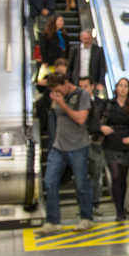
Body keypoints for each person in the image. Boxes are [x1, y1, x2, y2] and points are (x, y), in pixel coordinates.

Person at [36, 73, 94, 234]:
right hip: (58, 146)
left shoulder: (81, 95)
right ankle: (53, 220)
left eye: (58, 89)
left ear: (66, 82)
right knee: (49, 181)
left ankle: (86, 217)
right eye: (53, 90)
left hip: (78, 146)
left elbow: (81, 119)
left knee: (82, 184)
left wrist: (62, 103)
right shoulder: (56, 97)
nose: (57, 93)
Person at [100, 78, 129, 221]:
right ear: (116, 88)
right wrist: (101, 128)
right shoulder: (108, 105)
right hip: (110, 143)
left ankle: (121, 205)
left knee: (122, 178)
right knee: (115, 176)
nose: (122, 88)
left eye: (125, 86)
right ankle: (119, 211)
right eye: (120, 86)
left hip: (126, 144)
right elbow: (96, 119)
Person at [79, 76, 106, 216]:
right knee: (81, 175)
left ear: (92, 87)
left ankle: (95, 204)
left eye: (85, 86)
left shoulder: (101, 103)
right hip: (80, 143)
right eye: (81, 87)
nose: (83, 89)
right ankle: (82, 206)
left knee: (96, 176)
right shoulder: (76, 104)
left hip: (96, 142)